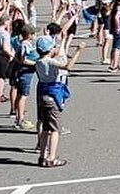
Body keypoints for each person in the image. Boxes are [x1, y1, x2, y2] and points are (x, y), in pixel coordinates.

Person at [31, 34, 86, 168]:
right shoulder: (50, 62)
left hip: (42, 94)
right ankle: (51, 157)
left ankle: (42, 156)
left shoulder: (38, 62)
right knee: (55, 130)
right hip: (52, 95)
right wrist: (78, 51)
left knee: (45, 128)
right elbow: (68, 67)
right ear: (50, 49)